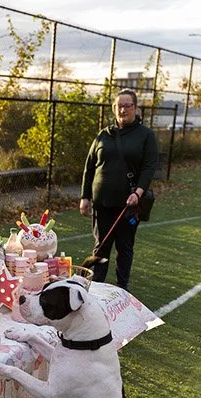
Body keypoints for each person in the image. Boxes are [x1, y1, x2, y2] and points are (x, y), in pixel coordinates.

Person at [79, 89, 158, 291]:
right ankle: (96, 287)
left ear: (135, 108)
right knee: (101, 245)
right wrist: (85, 196)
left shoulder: (146, 136)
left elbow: (149, 167)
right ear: (114, 108)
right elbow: (89, 167)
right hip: (101, 202)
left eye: (127, 105)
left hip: (128, 204)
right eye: (118, 106)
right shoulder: (103, 135)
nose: (122, 109)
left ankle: (122, 288)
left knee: (124, 247)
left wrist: (138, 193)